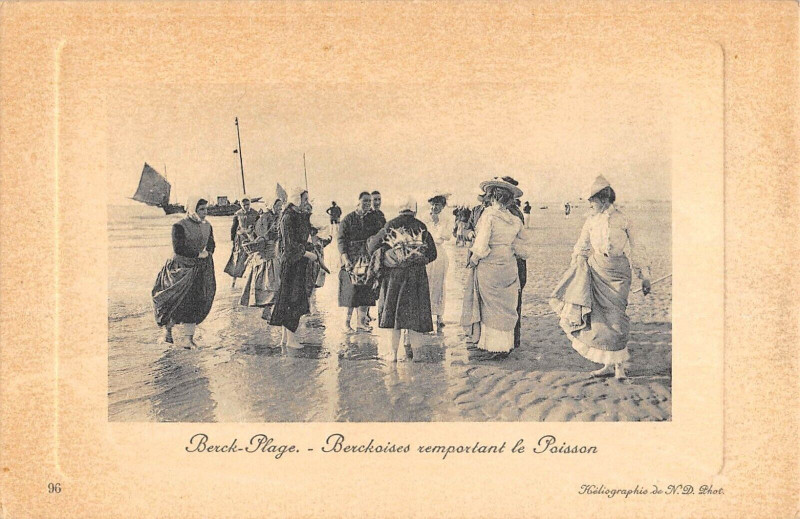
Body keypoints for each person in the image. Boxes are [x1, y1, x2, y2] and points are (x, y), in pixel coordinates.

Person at [549, 176, 652, 379]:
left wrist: (645, 276)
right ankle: (608, 365)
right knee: (599, 320)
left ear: (603, 198)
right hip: (597, 270)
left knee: (616, 318)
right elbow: (581, 245)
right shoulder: (591, 220)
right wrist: (575, 268)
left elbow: (638, 248)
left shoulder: (623, 219)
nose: (590, 204)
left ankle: (619, 368)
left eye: (592, 200)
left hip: (619, 273)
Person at [460, 178, 532, 358]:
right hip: (508, 264)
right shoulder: (514, 219)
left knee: (490, 307)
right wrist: (510, 250)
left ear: (492, 197)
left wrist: (475, 259)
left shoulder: (489, 216)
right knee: (505, 306)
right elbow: (524, 247)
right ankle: (505, 345)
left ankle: (492, 346)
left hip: (490, 265)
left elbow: (482, 244)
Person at [367, 197, 437, 362]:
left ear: (399, 209)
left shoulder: (390, 225)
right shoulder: (422, 226)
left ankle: (394, 355)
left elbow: (371, 247)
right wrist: (419, 259)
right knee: (415, 318)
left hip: (394, 278)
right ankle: (417, 356)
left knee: (394, 318)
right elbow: (433, 254)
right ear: (414, 209)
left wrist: (387, 254)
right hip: (416, 277)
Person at [152, 197, 217, 348]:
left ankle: (189, 339)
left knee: (195, 302)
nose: (204, 213)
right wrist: (196, 254)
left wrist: (208, 252)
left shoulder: (207, 225)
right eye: (201, 209)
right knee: (173, 301)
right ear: (192, 209)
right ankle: (167, 333)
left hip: (199, 270)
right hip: (179, 270)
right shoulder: (179, 226)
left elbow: (212, 244)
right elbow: (178, 248)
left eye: (206, 209)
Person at [269, 187, 320, 349]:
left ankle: (285, 338)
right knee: (293, 300)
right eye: (304, 199)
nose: (307, 202)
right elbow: (290, 246)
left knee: (288, 299)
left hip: (298, 264)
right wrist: (307, 254)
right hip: (292, 265)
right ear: (296, 200)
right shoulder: (288, 218)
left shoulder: (298, 216)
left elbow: (304, 236)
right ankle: (291, 340)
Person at [337, 192, 378, 331]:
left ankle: (361, 322)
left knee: (366, 290)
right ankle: (346, 323)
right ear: (358, 202)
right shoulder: (348, 219)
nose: (367, 204)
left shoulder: (373, 218)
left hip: (367, 258)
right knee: (351, 292)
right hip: (351, 258)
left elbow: (379, 236)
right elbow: (341, 240)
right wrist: (345, 258)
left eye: (369, 201)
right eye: (365, 201)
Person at [239, 206, 281, 308]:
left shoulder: (276, 218)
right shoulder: (264, 219)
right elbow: (260, 238)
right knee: (268, 287)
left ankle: (268, 312)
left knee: (270, 288)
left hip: (271, 258)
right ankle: (267, 311)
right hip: (265, 259)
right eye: (278, 206)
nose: (280, 208)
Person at [425, 194, 451, 332]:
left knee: (439, 284)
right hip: (426, 253)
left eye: (438, 205)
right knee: (426, 282)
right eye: (433, 204)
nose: (435, 207)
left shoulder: (446, 219)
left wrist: (438, 223)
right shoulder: (425, 217)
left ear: (443, 206)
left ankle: (439, 316)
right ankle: (426, 315)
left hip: (439, 253)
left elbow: (446, 236)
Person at [224, 196, 259, 288]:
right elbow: (234, 228)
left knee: (254, 258)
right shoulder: (237, 214)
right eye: (244, 205)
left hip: (252, 238)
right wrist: (232, 240)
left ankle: (254, 281)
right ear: (241, 205)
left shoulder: (255, 213)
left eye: (248, 204)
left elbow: (259, 226)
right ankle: (234, 281)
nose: (246, 207)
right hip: (240, 239)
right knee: (238, 259)